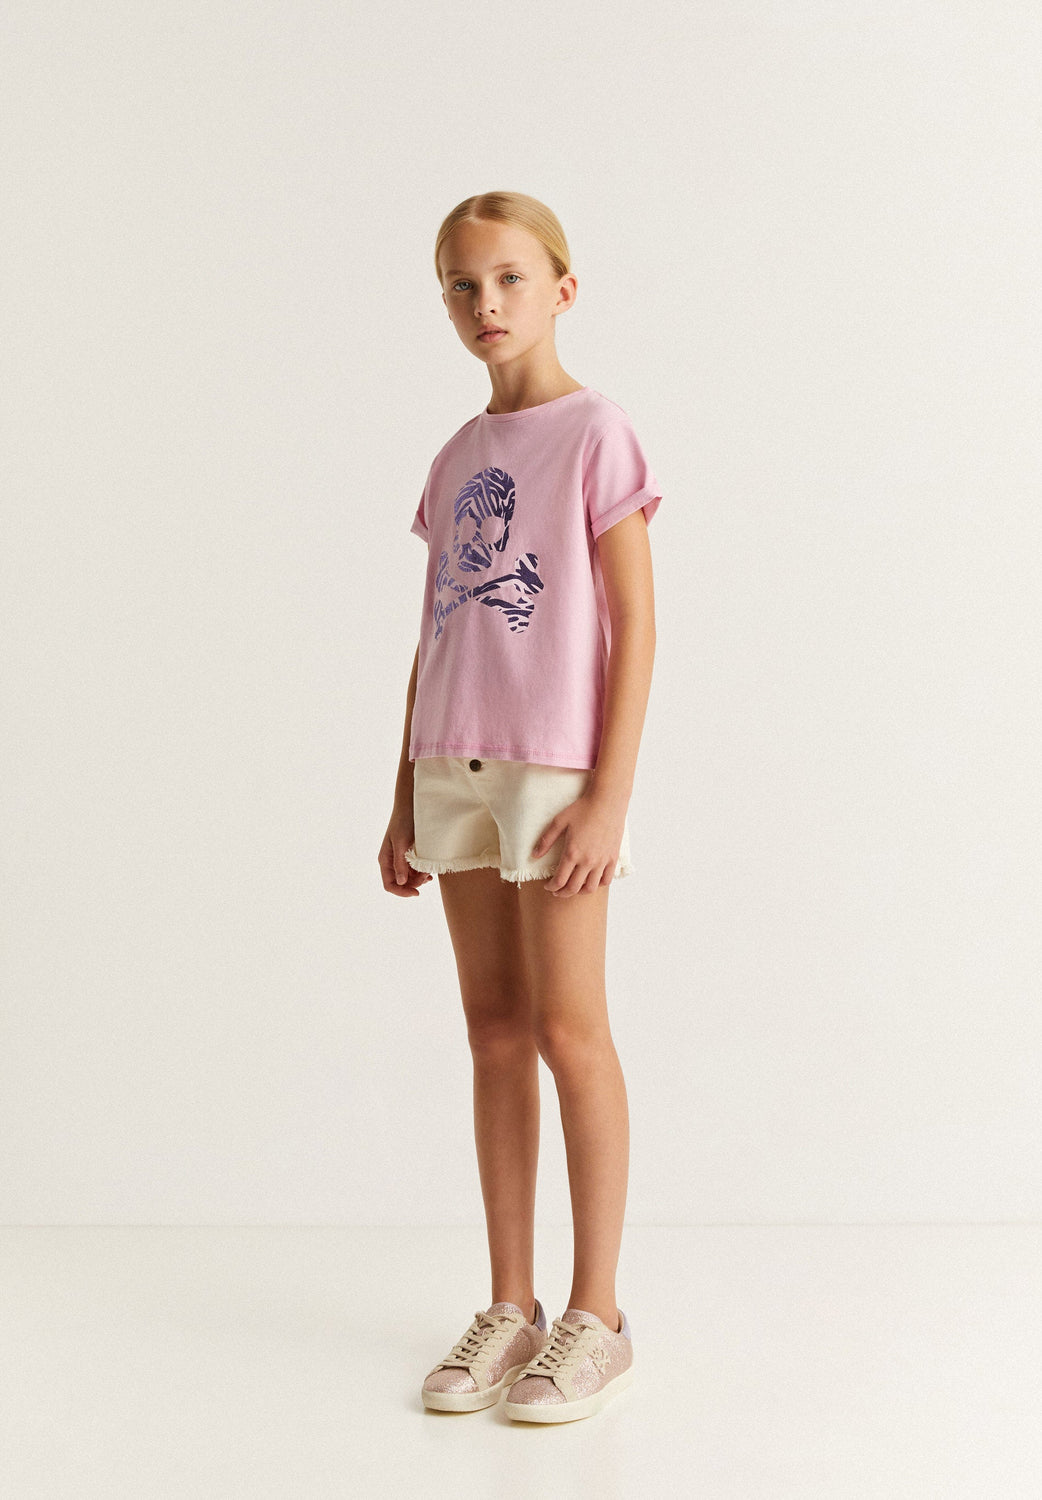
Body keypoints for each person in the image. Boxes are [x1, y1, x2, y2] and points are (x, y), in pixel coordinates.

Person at [378, 191, 661, 1424]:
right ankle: (513, 1303)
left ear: (561, 289)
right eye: (460, 284)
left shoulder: (596, 433)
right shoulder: (455, 458)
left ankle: (598, 1315)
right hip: (455, 764)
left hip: (553, 770)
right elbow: (434, 631)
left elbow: (636, 626)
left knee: (568, 1030)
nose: (484, 304)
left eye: (507, 279)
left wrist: (607, 795)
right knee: (493, 1030)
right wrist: (402, 789)